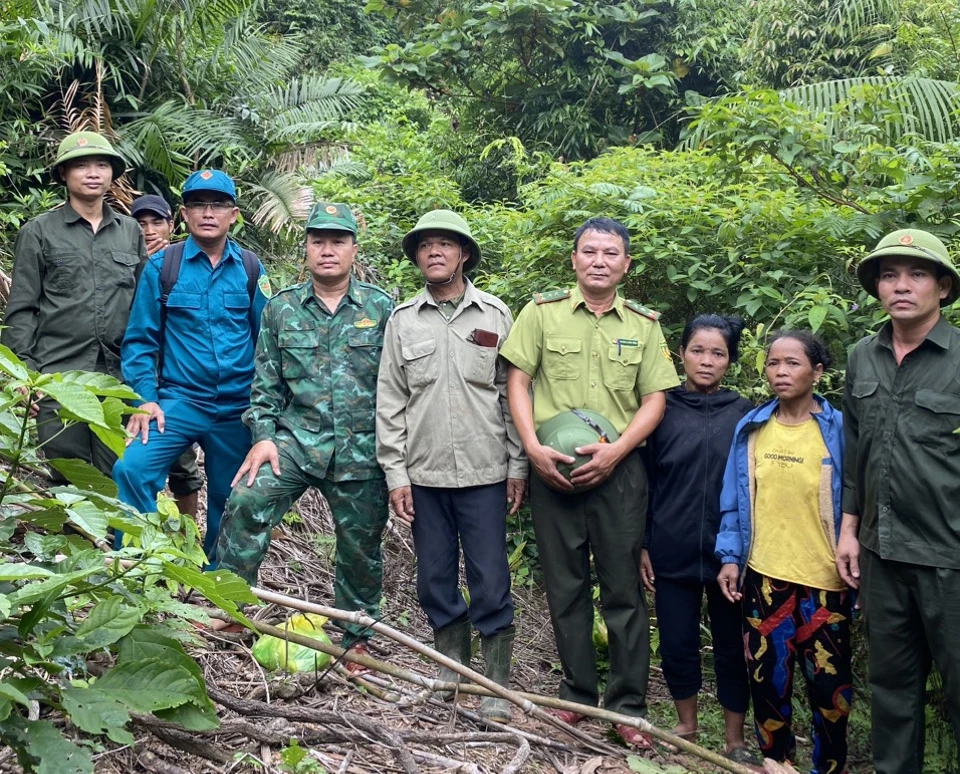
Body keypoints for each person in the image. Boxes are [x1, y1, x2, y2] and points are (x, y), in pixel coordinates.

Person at [500, 217, 679, 747]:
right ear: (573, 259)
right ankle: (576, 696)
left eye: (610, 253)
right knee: (566, 587)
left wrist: (619, 450)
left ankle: (627, 707)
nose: (599, 261)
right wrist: (532, 447)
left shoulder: (644, 326)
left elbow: (655, 399)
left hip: (620, 475)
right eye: (589, 251)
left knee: (623, 590)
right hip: (553, 471)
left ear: (627, 264)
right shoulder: (541, 313)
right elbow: (518, 380)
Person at [217, 202, 393, 664]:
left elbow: (399, 388)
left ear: (354, 248)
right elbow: (265, 385)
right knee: (247, 501)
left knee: (360, 546)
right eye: (318, 241)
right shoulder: (281, 309)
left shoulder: (382, 308)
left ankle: (355, 639)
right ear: (307, 248)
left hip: (362, 450)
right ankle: (233, 608)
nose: (327, 250)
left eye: (338, 241)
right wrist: (262, 435)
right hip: (296, 442)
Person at [376, 209, 527, 721]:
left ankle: (494, 685)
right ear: (416, 257)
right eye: (425, 246)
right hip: (424, 476)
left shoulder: (496, 316)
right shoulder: (402, 321)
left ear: (464, 254)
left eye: (445, 244)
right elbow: (390, 402)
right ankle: (451, 669)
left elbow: (513, 396)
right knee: (434, 579)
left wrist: (518, 466)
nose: (434, 252)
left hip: (486, 473)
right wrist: (395, 474)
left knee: (490, 578)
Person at [835, 228, 960, 774]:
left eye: (916, 274)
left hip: (949, 556)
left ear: (943, 287)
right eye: (889, 275)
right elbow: (855, 450)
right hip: (881, 554)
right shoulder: (863, 356)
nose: (901, 286)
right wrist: (847, 529)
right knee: (891, 690)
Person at [113, 170, 268, 563]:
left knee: (231, 495)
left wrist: (267, 415)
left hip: (236, 408)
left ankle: (217, 583)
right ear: (183, 214)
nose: (208, 213)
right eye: (198, 204)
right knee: (131, 470)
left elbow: (268, 344)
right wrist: (145, 400)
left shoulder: (251, 269)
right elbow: (140, 341)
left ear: (233, 214)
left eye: (217, 204)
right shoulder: (164, 266)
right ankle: (137, 570)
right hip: (179, 402)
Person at [716, 330, 851, 773]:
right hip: (765, 579)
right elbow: (735, 499)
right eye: (773, 363)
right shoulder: (753, 427)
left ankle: (826, 767)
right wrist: (731, 557)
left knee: (830, 690)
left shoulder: (837, 430)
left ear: (818, 371)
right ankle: (777, 763)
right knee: (768, 683)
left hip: (825, 582)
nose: (780, 372)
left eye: (792, 363)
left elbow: (857, 501)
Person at [640, 314, 755, 764]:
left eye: (717, 353)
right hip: (671, 546)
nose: (706, 361)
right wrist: (644, 544)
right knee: (676, 641)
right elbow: (647, 481)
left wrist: (745, 548)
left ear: (730, 360)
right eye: (697, 351)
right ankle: (686, 724)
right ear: (680, 354)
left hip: (730, 555)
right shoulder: (660, 409)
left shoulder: (744, 413)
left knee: (732, 645)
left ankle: (733, 737)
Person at [2, 132, 146, 479]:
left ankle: (112, 536)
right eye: (81, 166)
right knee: (69, 476)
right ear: (64, 175)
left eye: (101, 165)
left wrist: (148, 380)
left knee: (119, 473)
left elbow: (144, 311)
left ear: (113, 174)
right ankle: (77, 535)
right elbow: (22, 307)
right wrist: (23, 373)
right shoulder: (40, 231)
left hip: (120, 376)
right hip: (58, 374)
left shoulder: (130, 232)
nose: (93, 173)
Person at [129, 194, 203, 518]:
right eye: (140, 223)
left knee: (183, 462)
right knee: (132, 453)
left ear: (172, 225)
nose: (149, 230)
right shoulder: (122, 263)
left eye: (156, 221)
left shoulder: (185, 261)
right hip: (132, 371)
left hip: (175, 377)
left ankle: (191, 535)